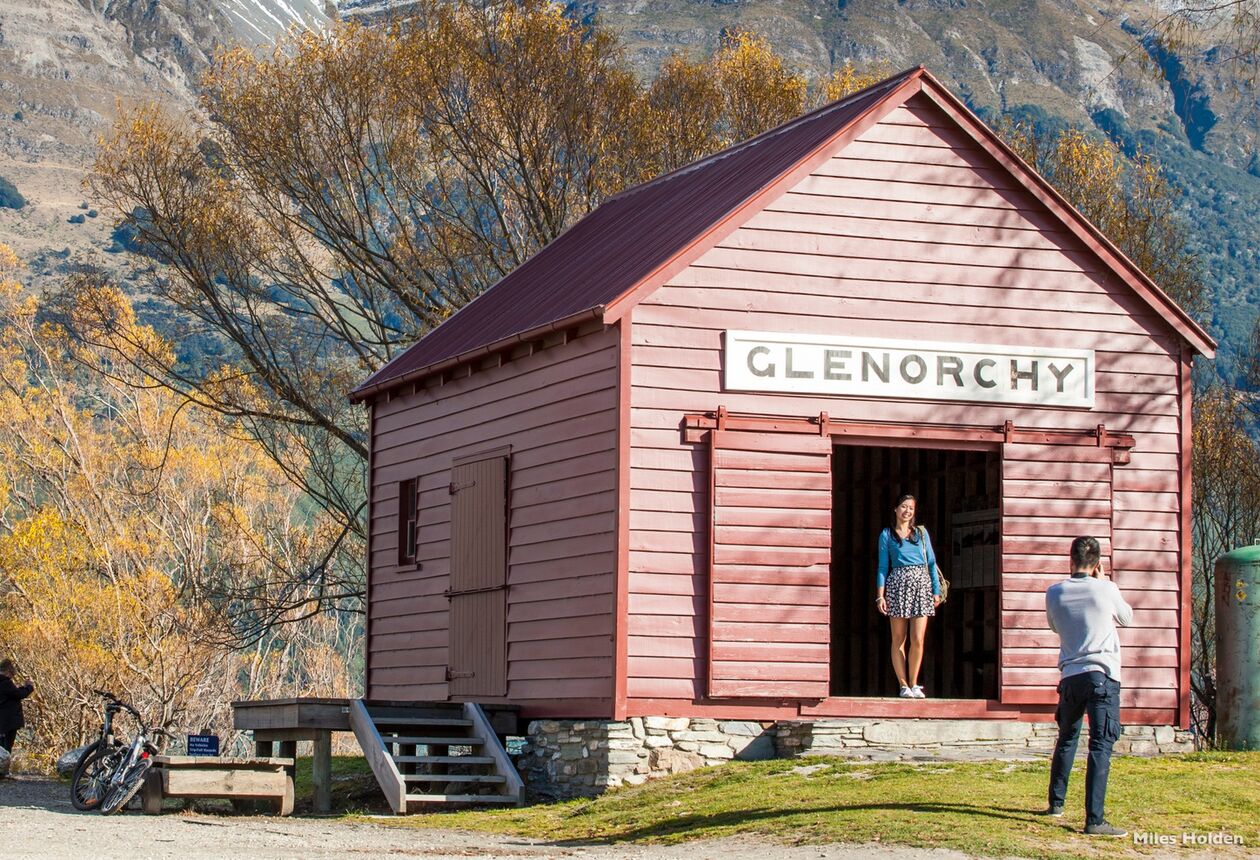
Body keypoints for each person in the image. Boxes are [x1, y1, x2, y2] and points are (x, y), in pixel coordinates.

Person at [1043, 536, 1133, 837]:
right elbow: (1127, 618)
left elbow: (1054, 626)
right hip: (1102, 675)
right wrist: (1105, 581)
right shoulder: (1106, 589)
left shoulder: (1054, 592)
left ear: (1070, 560)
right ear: (1097, 563)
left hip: (1070, 675)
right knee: (1100, 744)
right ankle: (1095, 819)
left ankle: (1056, 803)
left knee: (1067, 738)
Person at [875, 494, 943, 699]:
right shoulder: (887, 535)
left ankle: (914, 683)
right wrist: (880, 595)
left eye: (911, 508)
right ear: (895, 509)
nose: (907, 511)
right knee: (898, 639)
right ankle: (903, 685)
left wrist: (936, 590)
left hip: (921, 585)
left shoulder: (921, 534)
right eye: (904, 507)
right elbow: (883, 566)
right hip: (897, 585)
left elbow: (931, 563)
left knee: (918, 638)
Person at [1, 658, 34, 764]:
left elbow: (13, 693)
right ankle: (3, 770)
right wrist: (29, 687)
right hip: (7, 721)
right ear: (8, 672)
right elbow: (18, 694)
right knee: (6, 747)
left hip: (3, 721)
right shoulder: (4, 682)